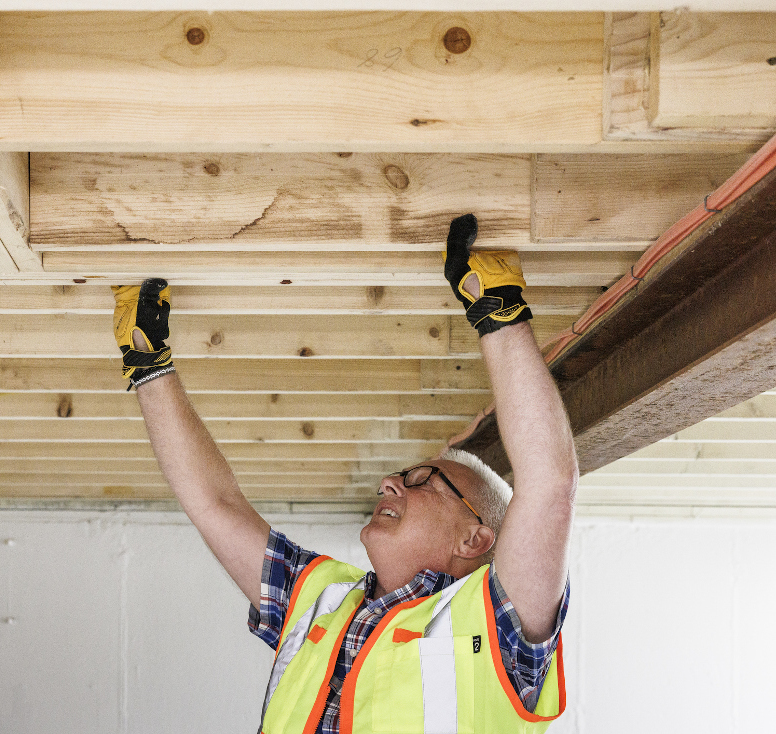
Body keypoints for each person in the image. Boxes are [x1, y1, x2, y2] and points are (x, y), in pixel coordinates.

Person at [111, 214, 579, 733]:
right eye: (407, 476)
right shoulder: (324, 598)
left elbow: (548, 486)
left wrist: (499, 312)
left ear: (476, 537)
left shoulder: (498, 627)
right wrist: (149, 364)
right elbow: (214, 503)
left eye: (420, 479)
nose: (388, 483)